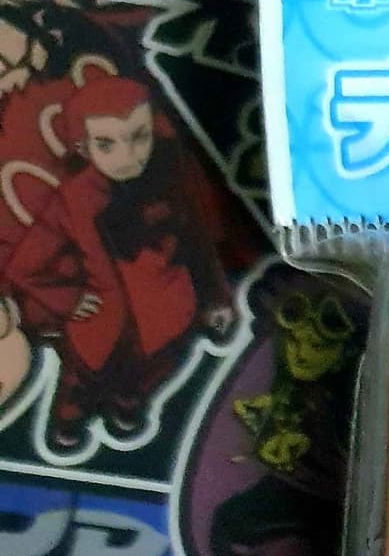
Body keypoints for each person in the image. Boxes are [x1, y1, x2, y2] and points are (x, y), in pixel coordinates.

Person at [2, 74, 233, 447]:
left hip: (168, 311)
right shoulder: (74, 199)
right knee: (81, 386)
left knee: (148, 374)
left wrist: (217, 298)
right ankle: (71, 418)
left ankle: (128, 402)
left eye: (139, 137)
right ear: (83, 146)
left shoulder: (171, 177)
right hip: (102, 323)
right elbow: (24, 267)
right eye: (106, 144)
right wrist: (67, 300)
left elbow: (198, 241)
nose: (128, 156)